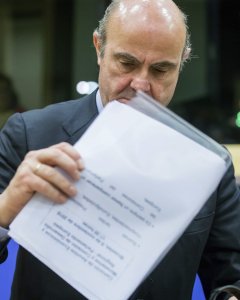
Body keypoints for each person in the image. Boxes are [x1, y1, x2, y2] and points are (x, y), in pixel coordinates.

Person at [0, 0, 240, 299]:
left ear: (184, 59)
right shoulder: (30, 134)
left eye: (161, 69)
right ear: (98, 47)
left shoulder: (208, 166)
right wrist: (5, 207)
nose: (140, 85)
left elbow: (232, 273)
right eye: (126, 63)